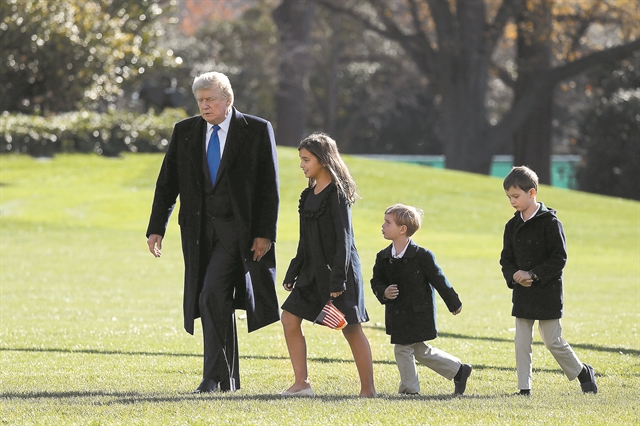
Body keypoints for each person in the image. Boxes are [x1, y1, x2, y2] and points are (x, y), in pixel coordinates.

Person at [146, 71, 280, 393]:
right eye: (200, 100)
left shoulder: (257, 130)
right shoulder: (185, 132)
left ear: (228, 99)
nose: (205, 106)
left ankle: (213, 378)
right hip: (198, 233)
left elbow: (268, 187)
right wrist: (156, 228)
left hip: (240, 234)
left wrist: (265, 233)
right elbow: (167, 184)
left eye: (211, 99)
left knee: (208, 295)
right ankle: (229, 380)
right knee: (215, 299)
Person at [281, 133, 376, 398]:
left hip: (339, 273)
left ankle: (368, 390)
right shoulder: (307, 195)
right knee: (289, 317)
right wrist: (294, 270)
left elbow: (344, 239)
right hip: (311, 273)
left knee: (351, 329)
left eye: (306, 159)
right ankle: (302, 383)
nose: (302, 165)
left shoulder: (338, 193)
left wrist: (338, 281)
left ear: (323, 160)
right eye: (301, 159)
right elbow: (305, 239)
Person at [500, 166, 598, 396]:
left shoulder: (551, 222)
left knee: (553, 341)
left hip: (548, 291)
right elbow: (506, 259)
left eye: (516, 196)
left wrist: (532, 275)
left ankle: (583, 372)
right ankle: (524, 389)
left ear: (532, 193)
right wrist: (514, 276)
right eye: (509, 197)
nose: (512, 201)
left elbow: (559, 259)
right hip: (522, 293)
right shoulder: (511, 226)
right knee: (521, 342)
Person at [370, 204, 472, 396]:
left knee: (402, 349)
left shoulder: (422, 256)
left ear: (402, 229)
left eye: (387, 222)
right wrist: (384, 292)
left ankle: (410, 389)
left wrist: (453, 302)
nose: (382, 226)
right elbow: (376, 281)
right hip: (398, 315)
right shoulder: (383, 257)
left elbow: (439, 279)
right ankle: (459, 371)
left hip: (418, 314)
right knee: (419, 350)